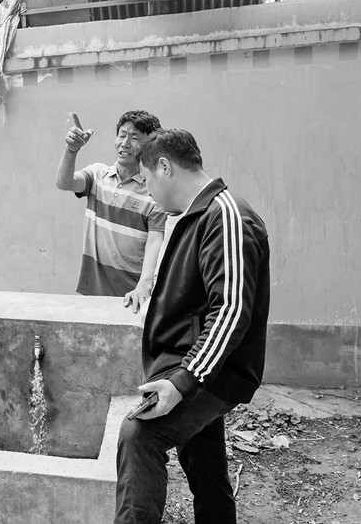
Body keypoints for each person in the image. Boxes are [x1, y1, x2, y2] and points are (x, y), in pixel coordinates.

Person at [115, 129, 270, 524]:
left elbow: (231, 309)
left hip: (208, 374)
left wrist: (184, 381)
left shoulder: (227, 216)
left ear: (164, 167)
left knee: (139, 436)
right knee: (203, 459)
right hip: (193, 366)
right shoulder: (202, 214)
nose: (148, 192)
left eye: (147, 180)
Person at [55, 110, 166, 308]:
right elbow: (64, 182)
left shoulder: (153, 192)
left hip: (132, 300)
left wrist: (144, 286)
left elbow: (155, 242)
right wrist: (71, 150)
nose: (125, 143)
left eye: (134, 138)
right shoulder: (98, 175)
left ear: (150, 145)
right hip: (92, 294)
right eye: (122, 135)